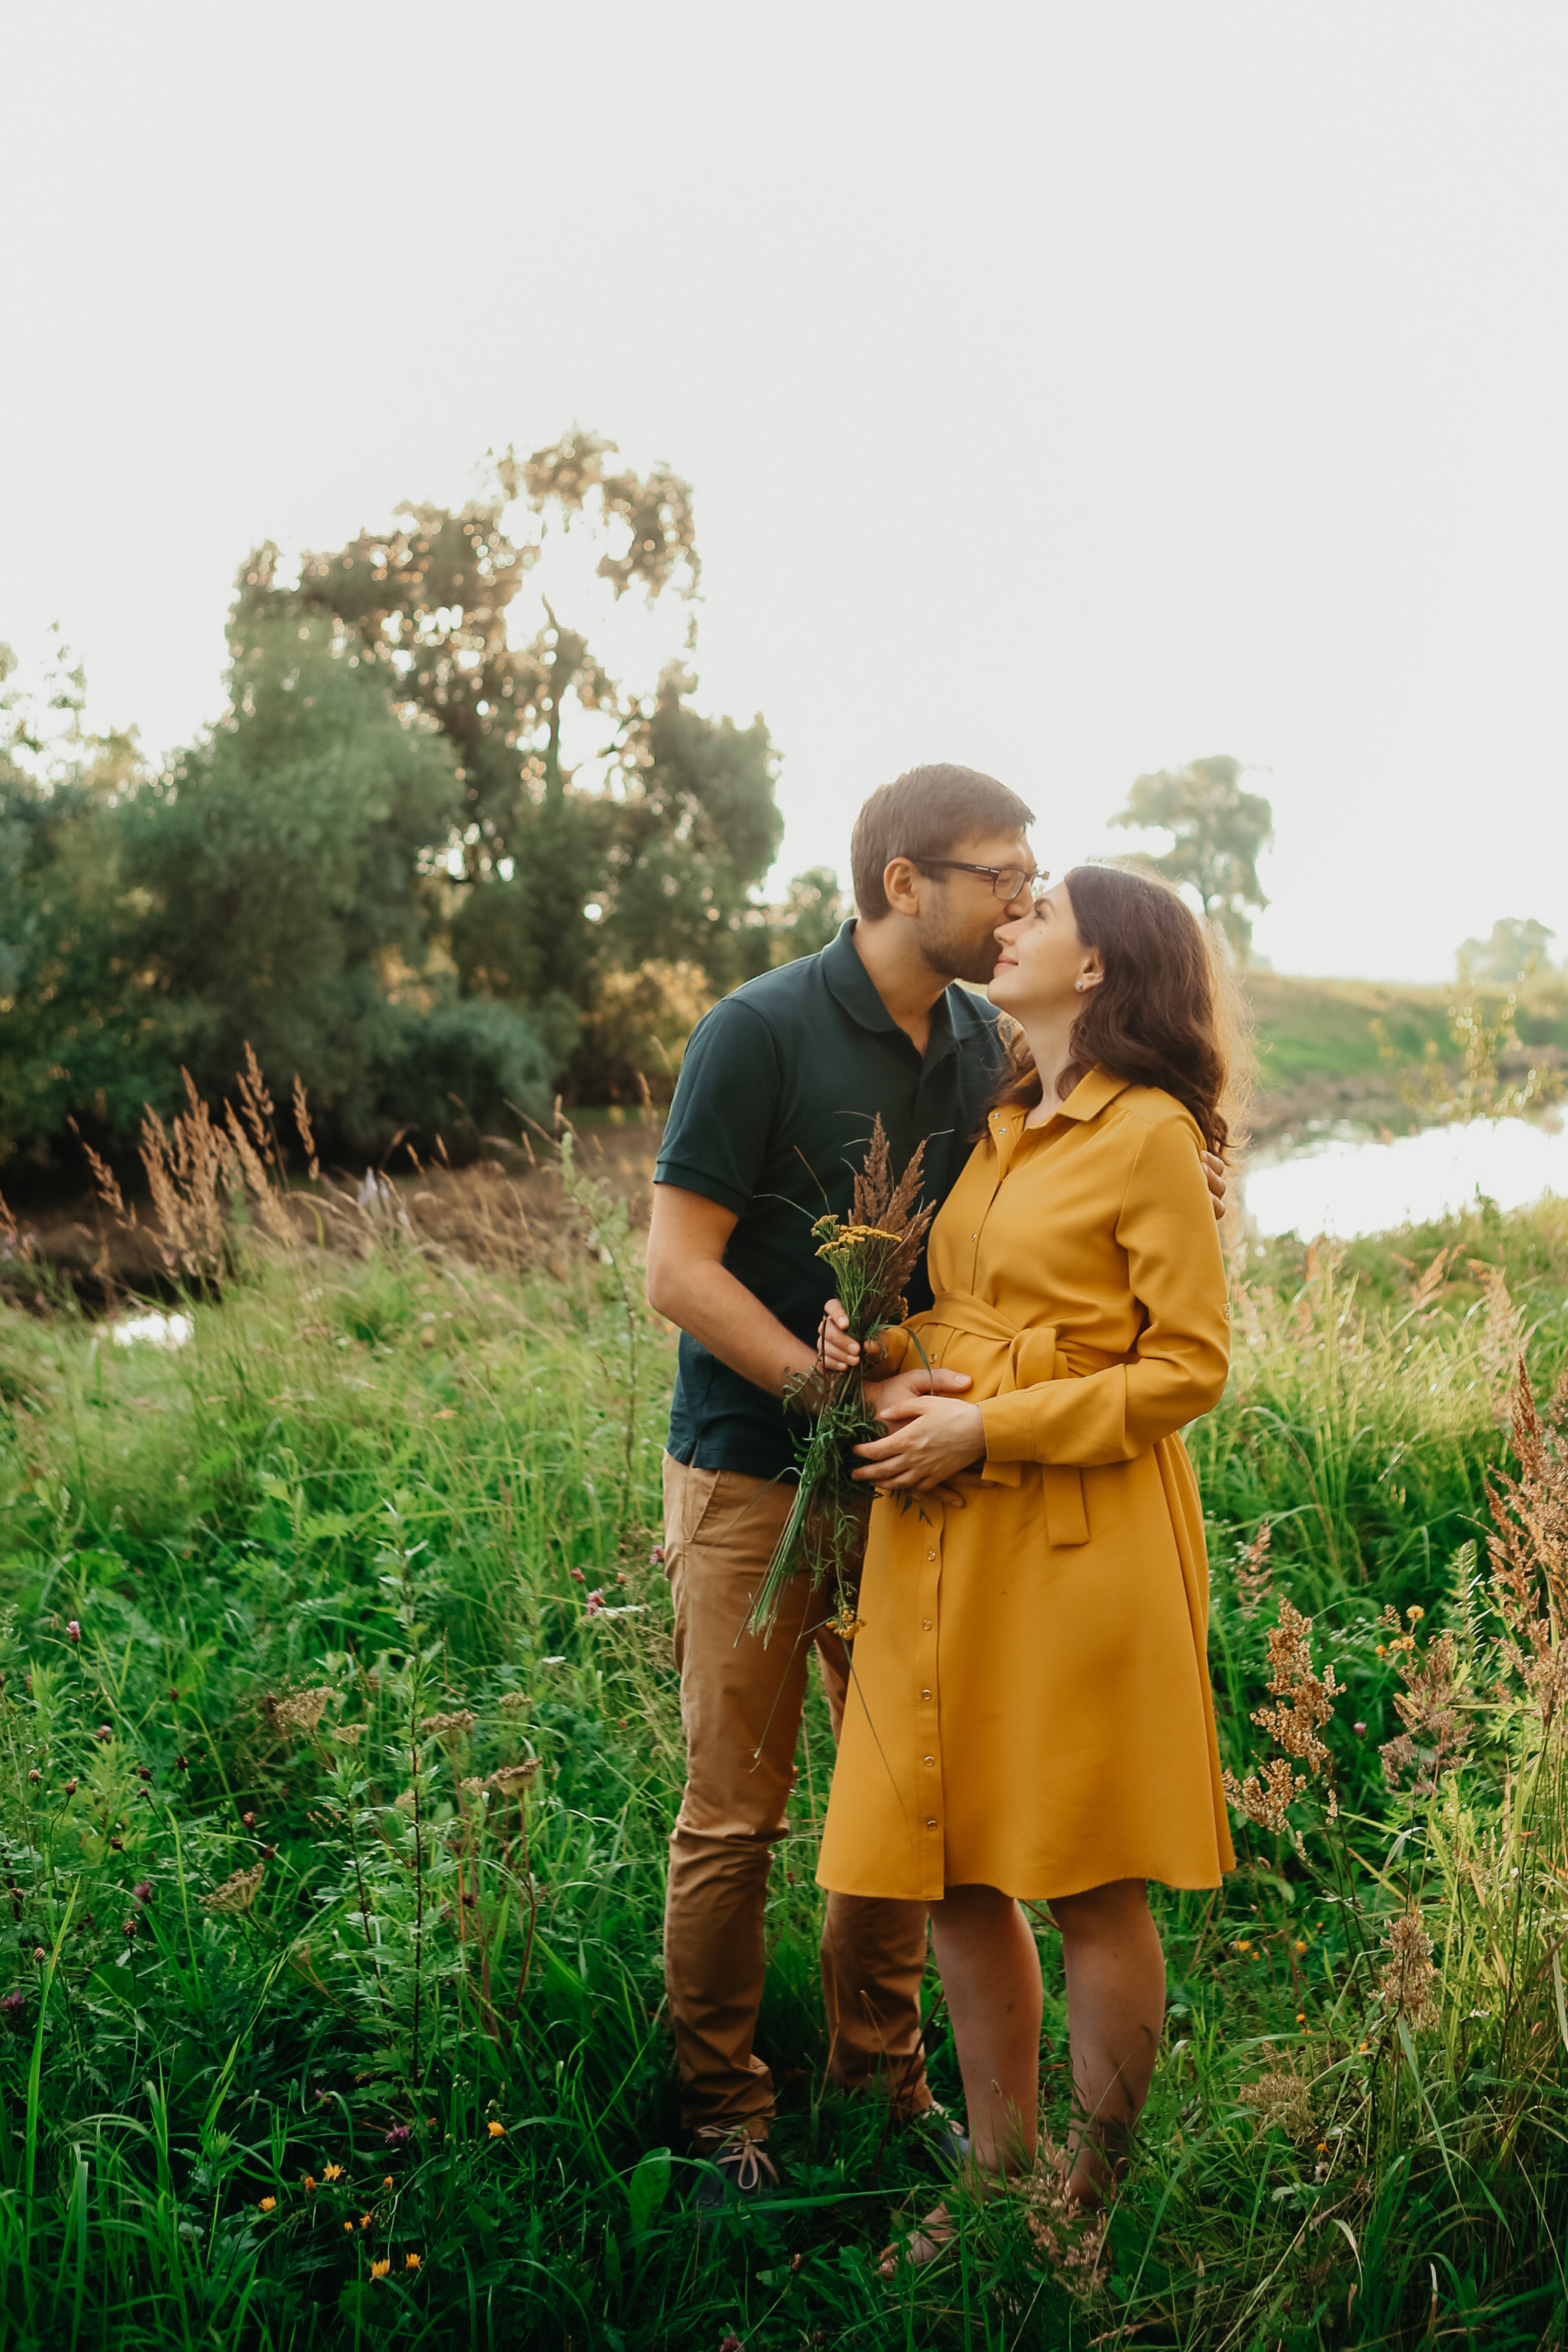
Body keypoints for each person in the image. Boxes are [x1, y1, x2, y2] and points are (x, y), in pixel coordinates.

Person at [644, 775, 1228, 2207]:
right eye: (1002, 877)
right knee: (744, 1814)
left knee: (922, 1815)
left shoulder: (997, 1057)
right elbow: (678, 1271)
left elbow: (1140, 1314)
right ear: (907, 883)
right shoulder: (761, 1029)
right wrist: (844, 1380)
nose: (1020, 902)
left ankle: (893, 2094)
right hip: (762, 1467)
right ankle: (729, 2122)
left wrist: (943, 1395)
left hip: (963, 1495)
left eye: (1039, 887)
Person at [815, 861, 1243, 2263]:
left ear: (1100, 965)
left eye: (1040, 910)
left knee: (1086, 1872)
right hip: (953, 1527)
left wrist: (989, 1428)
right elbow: (976, 1312)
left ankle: (1088, 2211)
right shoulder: (1004, 1124)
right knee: (958, 1864)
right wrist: (881, 1348)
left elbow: (1187, 1369)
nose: (1013, 923)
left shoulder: (1150, 1134)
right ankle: (995, 2181)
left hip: (1076, 1536)